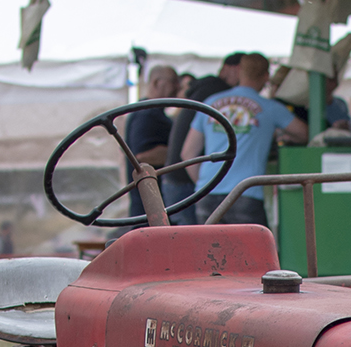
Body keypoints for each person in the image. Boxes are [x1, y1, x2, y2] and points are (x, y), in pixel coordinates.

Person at [180, 52, 308, 226]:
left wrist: (205, 185)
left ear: (239, 72)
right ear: (266, 76)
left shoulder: (210, 102)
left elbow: (188, 153)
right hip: (246, 192)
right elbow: (304, 133)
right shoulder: (270, 108)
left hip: (208, 192)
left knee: (210, 252)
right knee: (253, 252)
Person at [166, 53, 243, 224]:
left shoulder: (204, 90)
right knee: (194, 246)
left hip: (176, 177)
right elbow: (188, 153)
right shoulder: (219, 94)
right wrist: (206, 185)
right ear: (234, 69)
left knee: (190, 245)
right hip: (186, 181)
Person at [124, 64, 184, 219]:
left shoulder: (151, 112)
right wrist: (181, 154)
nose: (178, 87)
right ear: (157, 83)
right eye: (174, 81)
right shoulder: (147, 114)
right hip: (148, 207)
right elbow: (143, 156)